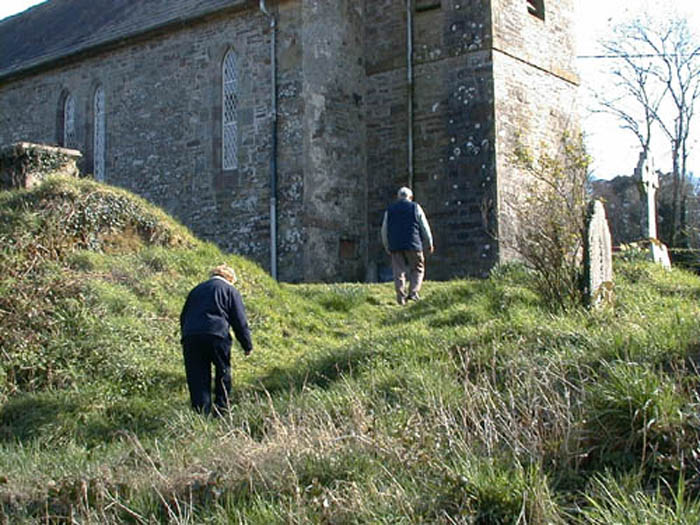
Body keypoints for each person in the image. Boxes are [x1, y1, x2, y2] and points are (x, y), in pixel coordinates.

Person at [180, 264, 253, 415]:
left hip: (191, 336)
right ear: (230, 278)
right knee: (222, 372)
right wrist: (247, 345)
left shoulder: (196, 290)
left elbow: (184, 315)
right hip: (216, 334)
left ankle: (201, 414)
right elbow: (239, 320)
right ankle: (221, 409)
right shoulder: (230, 290)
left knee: (197, 377)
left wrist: (186, 335)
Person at [381, 186, 435, 305]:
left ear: (398, 197)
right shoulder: (415, 207)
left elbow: (384, 230)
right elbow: (424, 226)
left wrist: (387, 245)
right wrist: (429, 242)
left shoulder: (390, 210)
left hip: (395, 245)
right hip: (413, 243)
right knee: (418, 268)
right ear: (410, 197)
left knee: (398, 271)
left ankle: (400, 297)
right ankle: (413, 293)